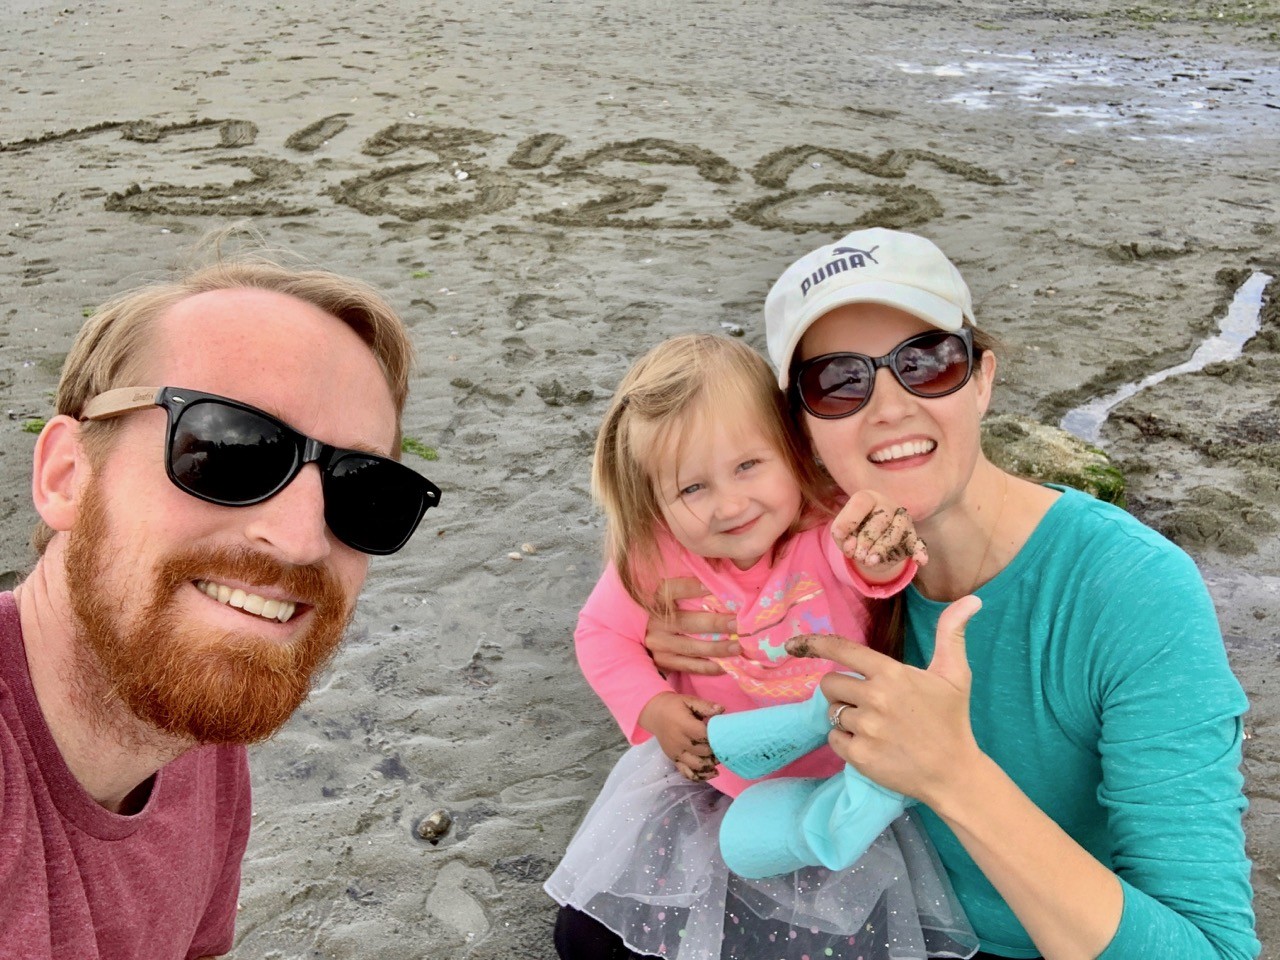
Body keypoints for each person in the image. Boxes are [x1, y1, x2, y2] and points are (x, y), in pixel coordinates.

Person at [644, 227, 1260, 959]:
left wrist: (953, 776)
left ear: (983, 379)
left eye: (927, 362)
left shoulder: (1130, 592)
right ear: (802, 433)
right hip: (878, 908)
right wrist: (662, 649)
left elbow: (1213, 948)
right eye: (838, 382)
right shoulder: (803, 569)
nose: (888, 407)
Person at [0, 250, 442, 958]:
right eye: (232, 449)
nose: (301, 539)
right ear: (67, 475)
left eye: (362, 489)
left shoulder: (200, 734)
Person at [545, 334, 976, 960]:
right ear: (654, 500)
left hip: (837, 778)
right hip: (713, 781)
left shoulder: (826, 527)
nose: (729, 504)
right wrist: (654, 708)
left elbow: (869, 568)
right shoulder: (654, 555)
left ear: (792, 450)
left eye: (748, 465)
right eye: (692, 489)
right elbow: (600, 634)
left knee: (829, 928)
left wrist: (879, 552)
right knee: (602, 932)